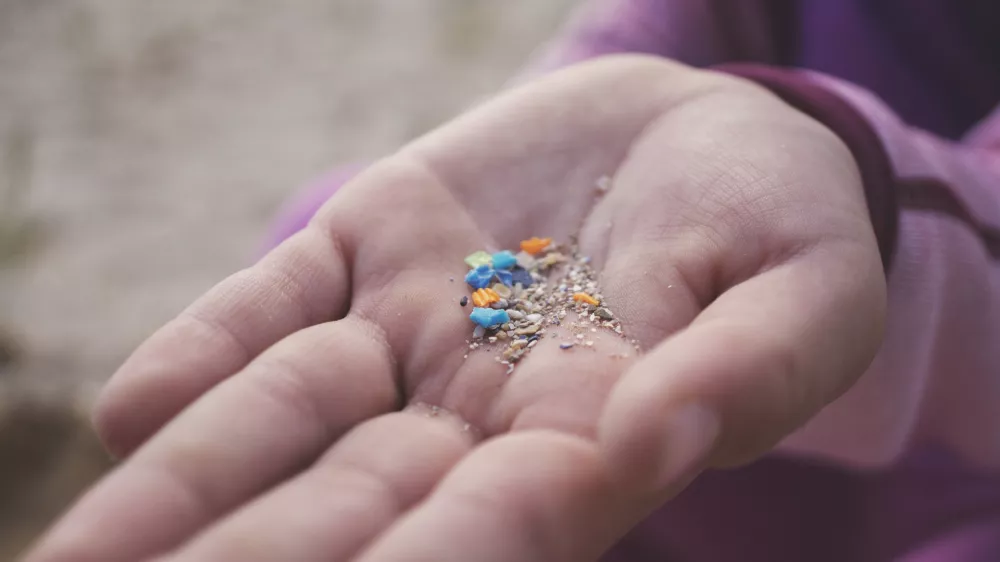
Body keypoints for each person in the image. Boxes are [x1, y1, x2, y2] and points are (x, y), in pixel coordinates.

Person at [24, 1, 1000, 560]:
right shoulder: (521, 282)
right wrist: (591, 89)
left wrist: (875, 200)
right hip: (700, 406)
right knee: (352, 240)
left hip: (959, 442)